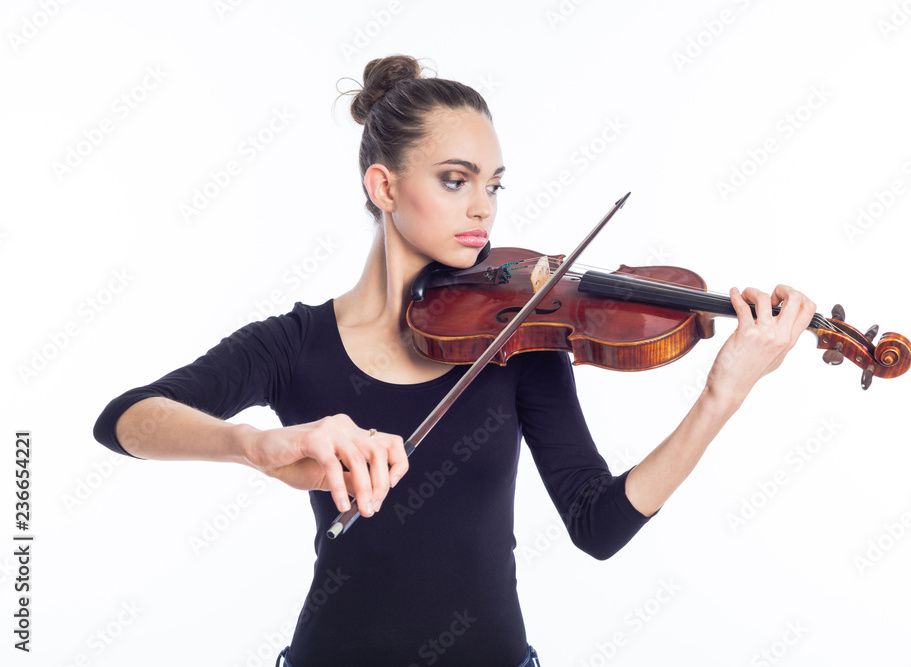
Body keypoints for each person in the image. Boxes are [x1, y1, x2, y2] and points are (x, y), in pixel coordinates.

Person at [93, 55, 816, 667]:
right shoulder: (293, 344)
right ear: (383, 187)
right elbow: (122, 419)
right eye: (455, 179)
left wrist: (723, 393)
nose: (484, 210)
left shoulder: (520, 336)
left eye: (493, 183)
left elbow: (597, 525)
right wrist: (253, 444)